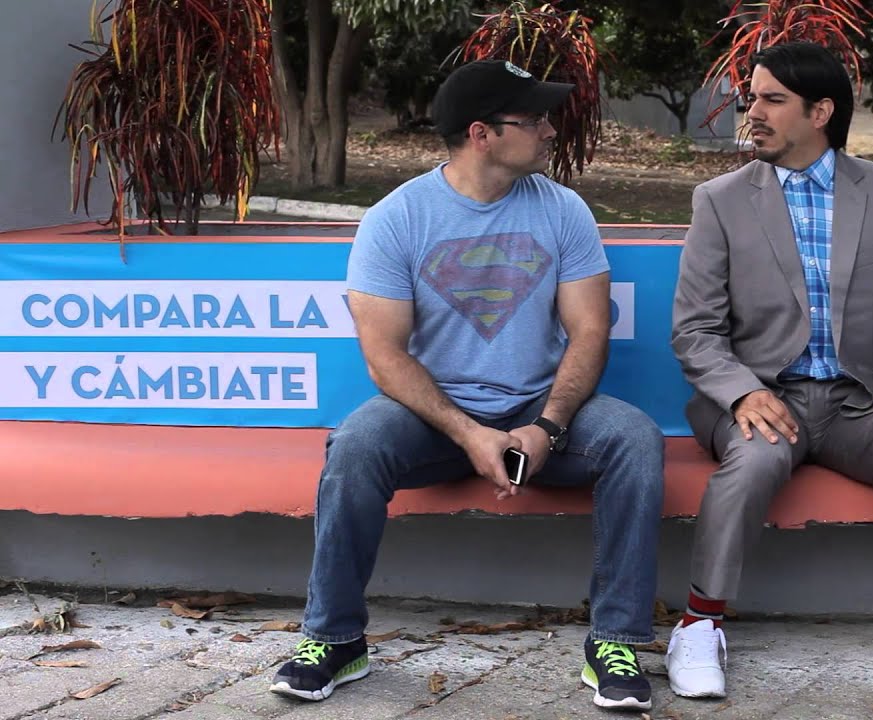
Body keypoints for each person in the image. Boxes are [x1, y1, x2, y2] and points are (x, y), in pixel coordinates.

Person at [269, 59, 665, 713]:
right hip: (434, 413)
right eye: (533, 119)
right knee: (355, 446)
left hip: (539, 408)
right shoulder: (397, 219)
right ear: (482, 134)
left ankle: (615, 643)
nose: (549, 131)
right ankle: (334, 639)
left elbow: (590, 331)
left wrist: (548, 427)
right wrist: (469, 432)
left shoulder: (563, 210)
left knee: (634, 439)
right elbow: (385, 357)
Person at [667, 41, 873, 703]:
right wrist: (741, 393)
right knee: (752, 460)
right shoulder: (720, 201)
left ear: (820, 111)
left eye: (772, 100)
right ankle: (699, 625)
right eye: (752, 99)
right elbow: (695, 330)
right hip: (766, 397)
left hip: (861, 404)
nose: (753, 113)